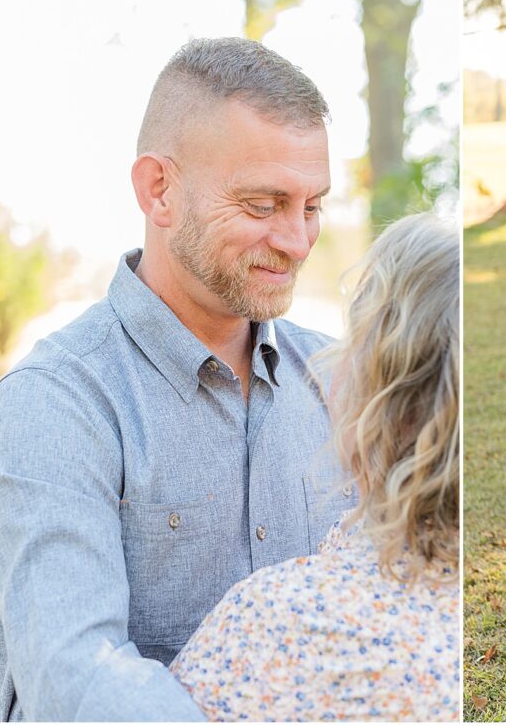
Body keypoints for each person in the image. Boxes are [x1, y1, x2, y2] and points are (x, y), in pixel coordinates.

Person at [0, 37, 356, 721]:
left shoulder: (346, 381)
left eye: (312, 205)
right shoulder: (55, 406)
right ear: (159, 190)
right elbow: (76, 685)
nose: (297, 240)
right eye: (264, 205)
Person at [169, 212, 460, 721]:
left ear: (389, 398)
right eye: (262, 205)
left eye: (355, 340)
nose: (298, 242)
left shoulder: (274, 623)